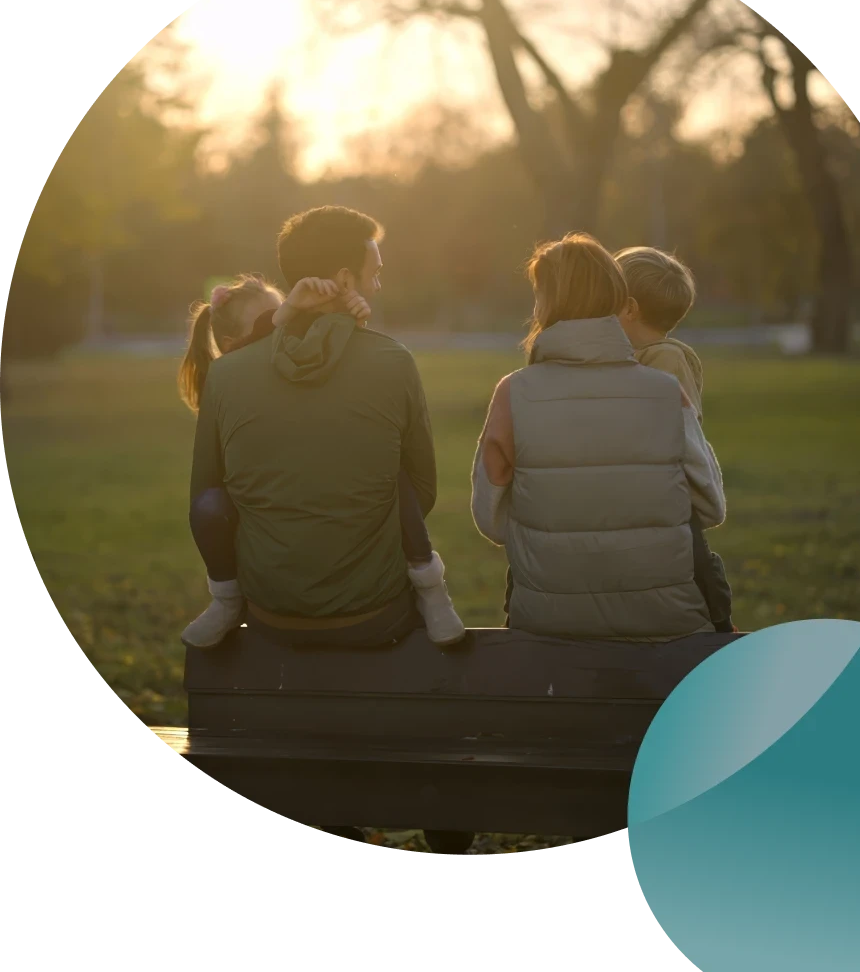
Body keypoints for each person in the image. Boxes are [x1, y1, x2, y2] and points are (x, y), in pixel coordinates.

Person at [177, 206, 464, 650]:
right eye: (375, 273)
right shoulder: (392, 362)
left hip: (269, 613)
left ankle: (224, 602)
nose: (379, 284)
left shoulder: (227, 375)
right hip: (375, 614)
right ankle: (433, 590)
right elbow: (421, 490)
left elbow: (206, 494)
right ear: (346, 280)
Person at [470, 232, 725, 641]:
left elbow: (491, 521)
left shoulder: (512, 395)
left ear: (546, 305)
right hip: (665, 624)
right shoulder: (666, 393)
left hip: (548, 624)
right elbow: (710, 507)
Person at [615, 246, 736, 633]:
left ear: (629, 309)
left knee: (694, 556)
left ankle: (720, 624)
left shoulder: (664, 359)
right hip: (647, 490)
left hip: (670, 489)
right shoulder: (641, 355)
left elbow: (664, 426)